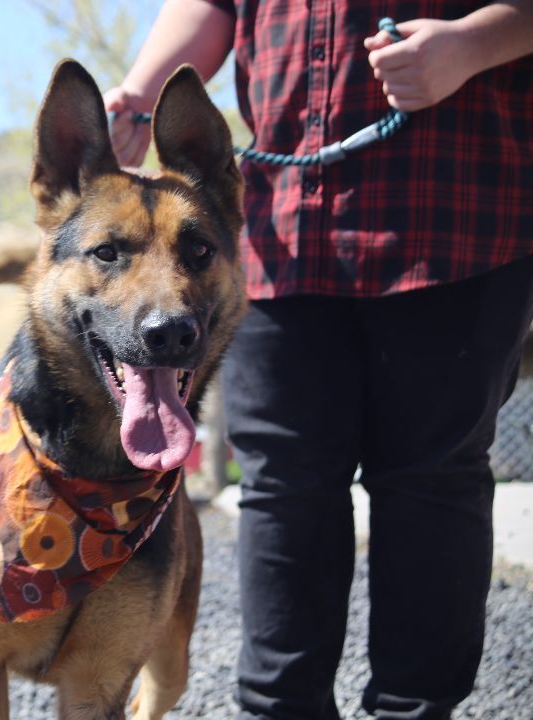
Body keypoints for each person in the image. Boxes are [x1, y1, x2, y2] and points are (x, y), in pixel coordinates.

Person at [104, 1, 533, 718]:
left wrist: (470, 45)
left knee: (433, 480)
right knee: (281, 483)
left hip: (457, 205)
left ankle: (414, 710)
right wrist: (142, 94)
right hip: (281, 225)